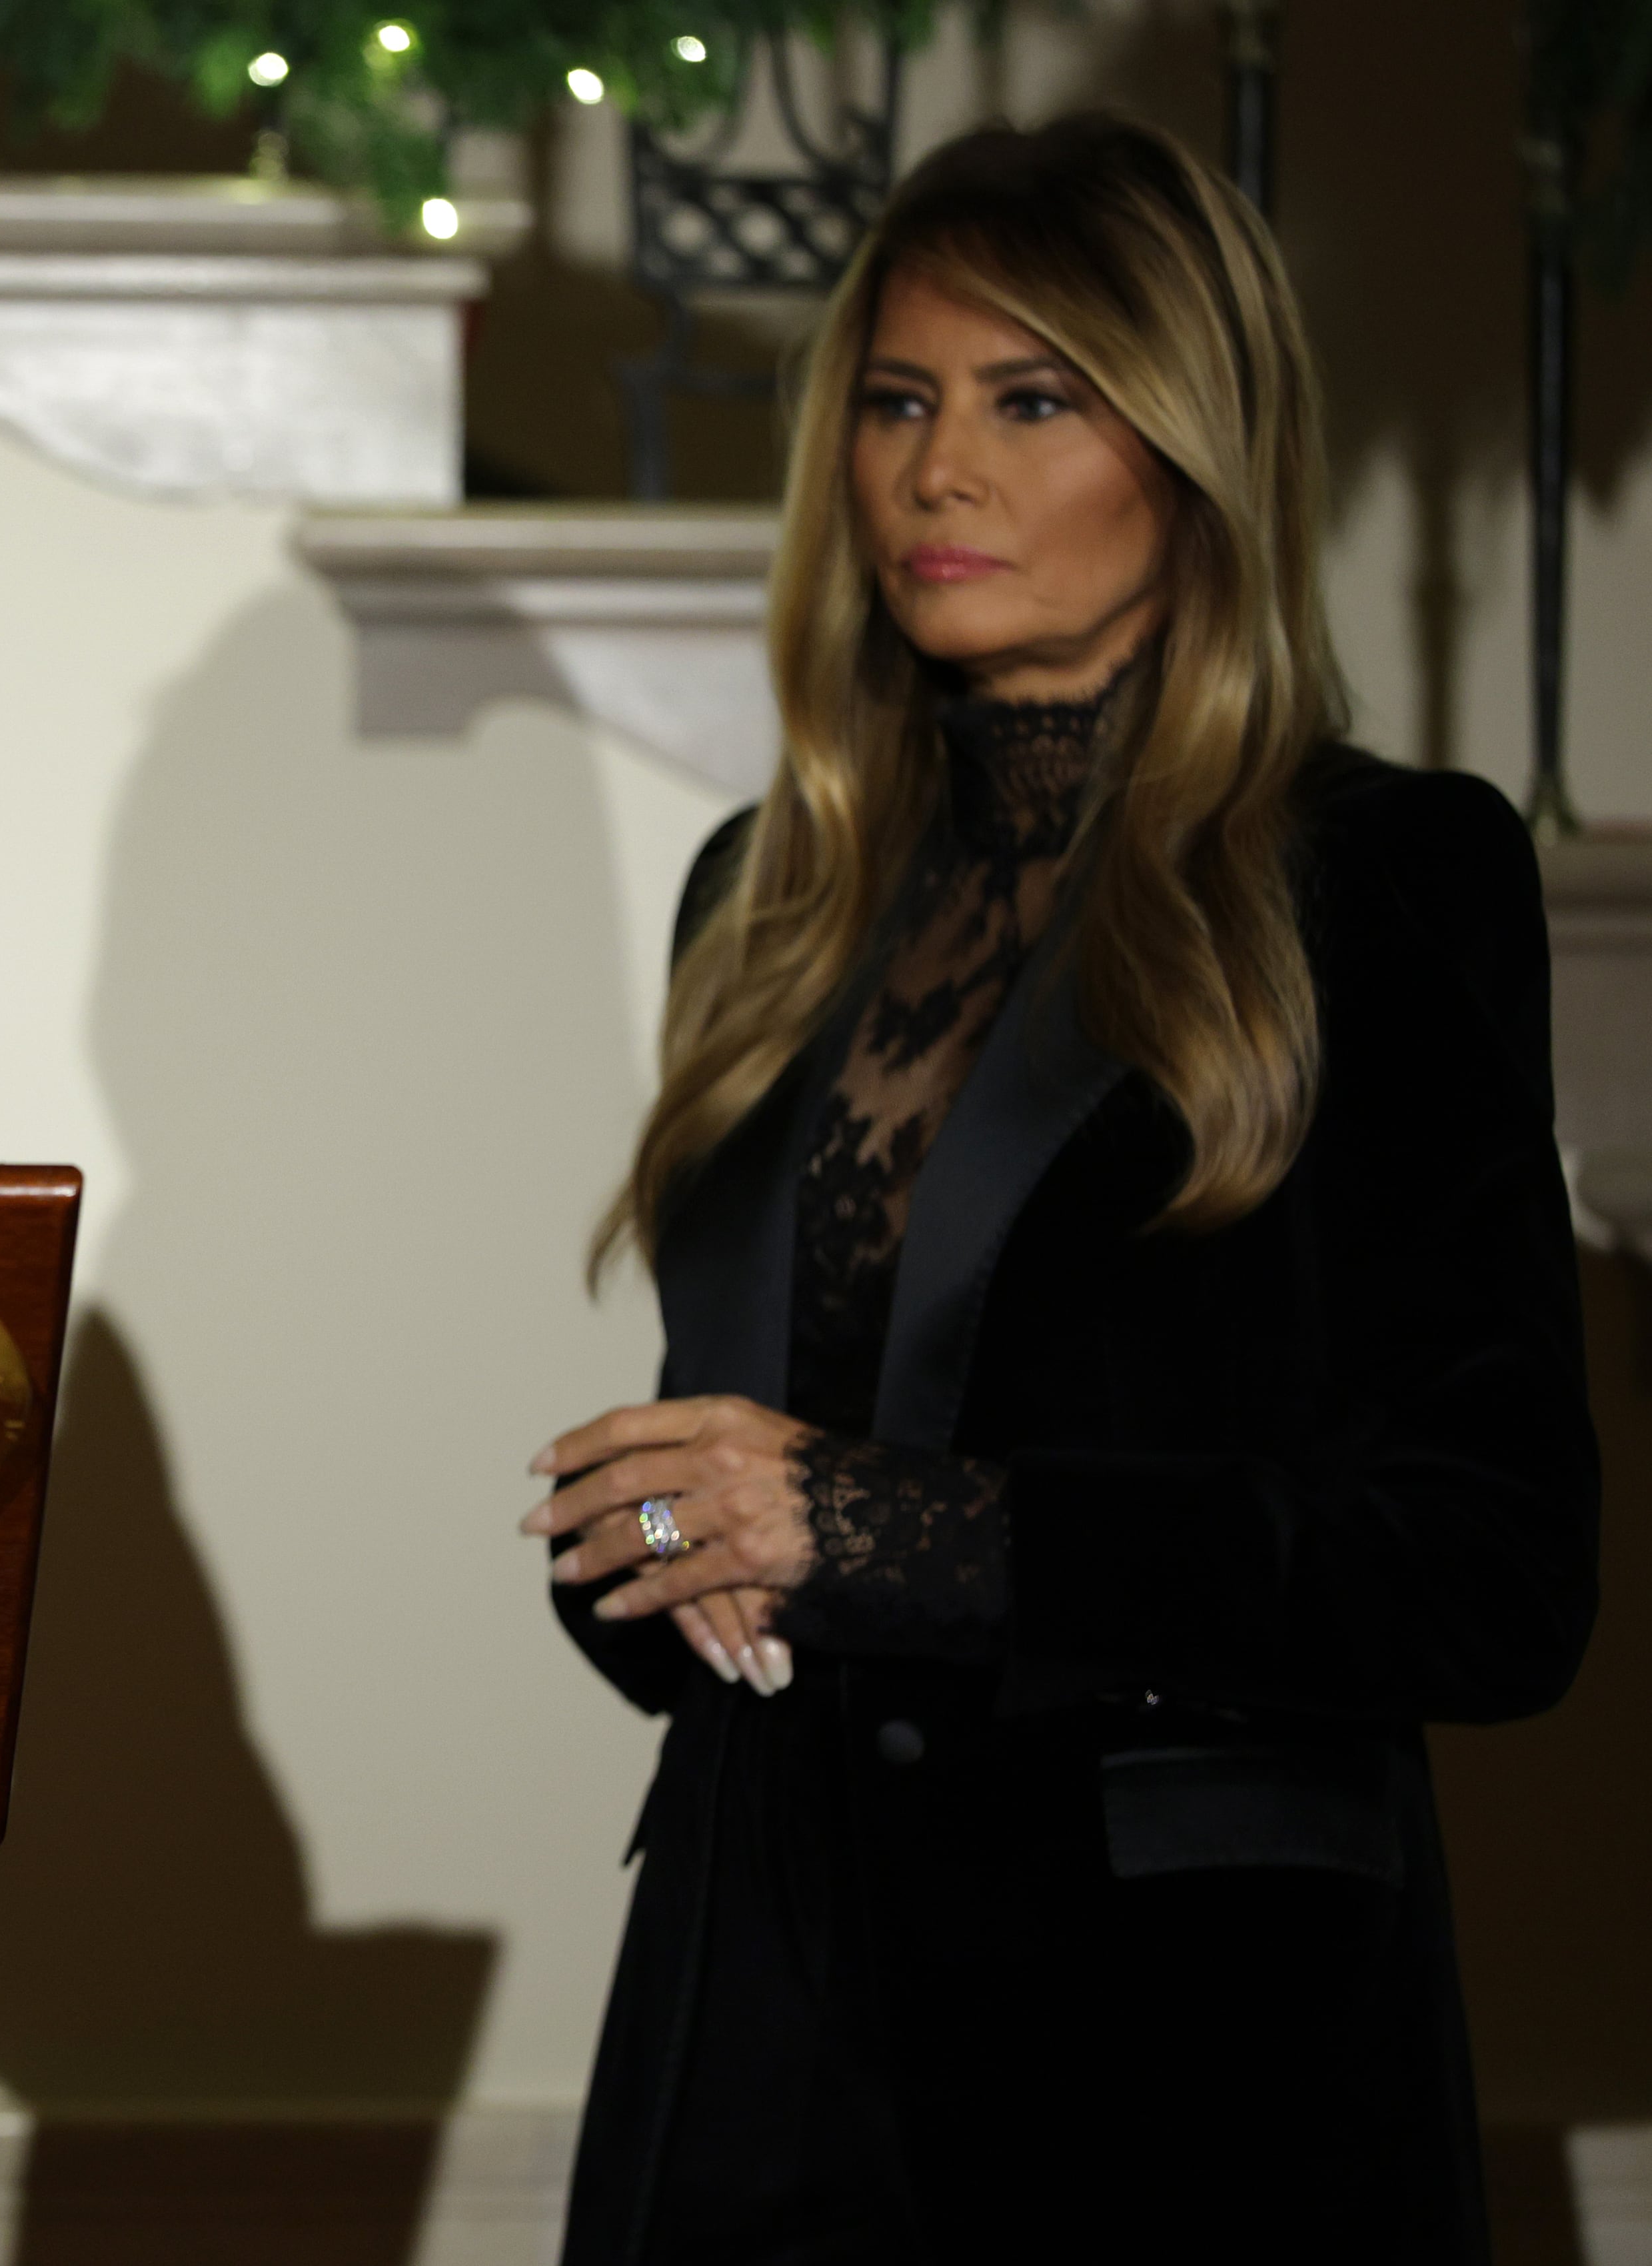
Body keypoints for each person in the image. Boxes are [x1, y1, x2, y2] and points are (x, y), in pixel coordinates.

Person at [524, 114, 1596, 2262]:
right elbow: (737, 1486)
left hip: (1184, 2058)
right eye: (901, 405)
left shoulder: (1379, 881)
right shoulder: (769, 897)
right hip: (757, 2006)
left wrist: (901, 1528)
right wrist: (652, 1534)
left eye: (1036, 403)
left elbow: (1492, 1572)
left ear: (1192, 450)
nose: (941, 475)